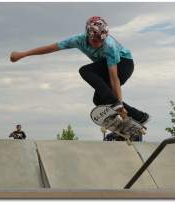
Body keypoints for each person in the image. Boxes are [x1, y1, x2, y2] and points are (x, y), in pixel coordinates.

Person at [10, 16, 149, 124]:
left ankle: (119, 107)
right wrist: (23, 54)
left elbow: (114, 78)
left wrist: (119, 104)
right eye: (94, 41)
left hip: (124, 64)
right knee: (98, 100)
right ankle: (139, 116)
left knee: (86, 71)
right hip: (107, 67)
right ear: (88, 35)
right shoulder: (78, 40)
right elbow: (51, 48)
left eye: (100, 41)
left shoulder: (109, 46)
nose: (98, 44)